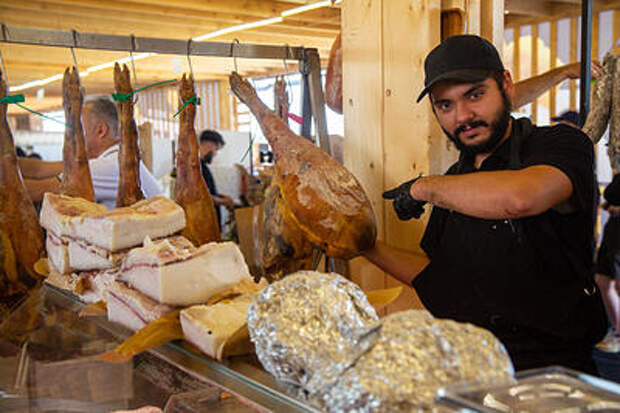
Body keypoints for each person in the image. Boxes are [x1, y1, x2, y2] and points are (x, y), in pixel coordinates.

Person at [364, 35, 607, 373]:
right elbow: (437, 275)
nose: (463, 116)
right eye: (445, 105)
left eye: (475, 95)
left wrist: (423, 188)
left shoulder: (560, 144)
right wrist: (364, 246)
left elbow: (522, 197)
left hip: (553, 373)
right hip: (473, 372)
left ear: (505, 84)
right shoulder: (455, 179)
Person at [22, 96, 162, 209]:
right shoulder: (112, 158)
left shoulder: (108, 165)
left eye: (79, 128)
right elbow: (39, 170)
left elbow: (37, 191)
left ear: (101, 130)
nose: (73, 136)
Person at [594, 173, 620, 352]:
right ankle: (617, 330)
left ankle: (618, 333)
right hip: (613, 231)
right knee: (604, 280)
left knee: (613, 283)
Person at [198, 130, 235, 228]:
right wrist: (224, 202)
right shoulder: (196, 168)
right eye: (216, 149)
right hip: (203, 224)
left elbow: (207, 191)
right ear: (209, 145)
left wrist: (221, 197)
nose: (215, 154)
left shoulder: (203, 166)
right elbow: (201, 196)